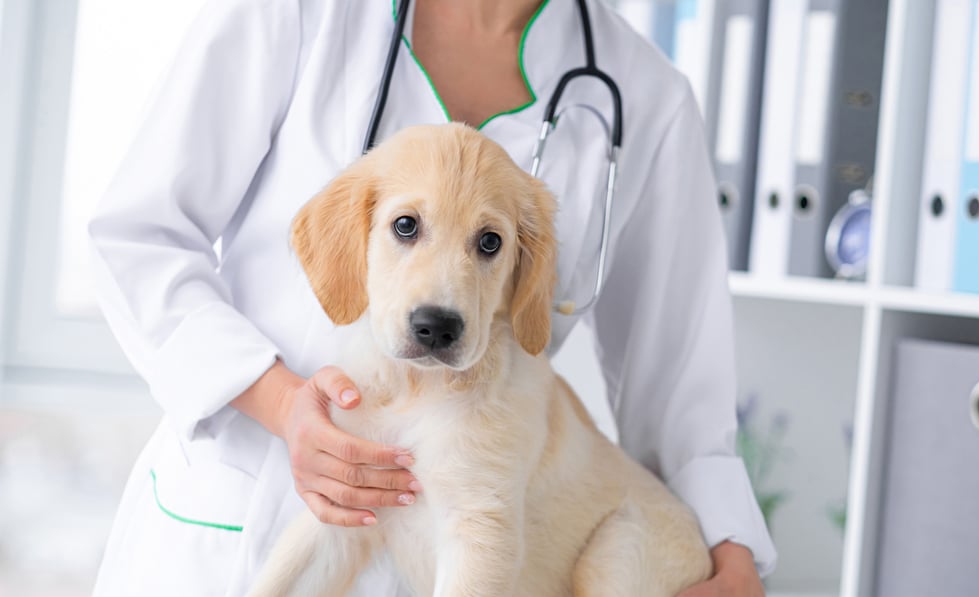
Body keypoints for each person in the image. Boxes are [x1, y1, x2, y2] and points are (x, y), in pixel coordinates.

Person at [89, 0, 777, 594]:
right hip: (232, 520)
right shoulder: (303, 10)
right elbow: (140, 237)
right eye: (407, 227)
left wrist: (731, 556)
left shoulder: (647, 97)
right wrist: (280, 402)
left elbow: (682, 393)